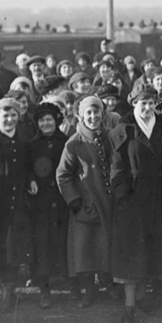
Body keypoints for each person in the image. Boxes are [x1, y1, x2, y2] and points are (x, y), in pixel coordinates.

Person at [109, 84, 162, 323]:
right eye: (143, 103)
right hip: (133, 198)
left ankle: (144, 296)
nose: (147, 108)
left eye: (151, 103)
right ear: (133, 104)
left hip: (158, 196)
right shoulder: (123, 130)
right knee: (132, 251)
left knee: (151, 247)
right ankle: (130, 305)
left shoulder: (161, 129)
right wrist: (124, 197)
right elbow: (117, 169)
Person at [56, 96, 115, 309]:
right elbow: (63, 174)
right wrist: (74, 200)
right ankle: (88, 292)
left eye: (96, 112)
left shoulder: (111, 137)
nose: (93, 117)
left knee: (106, 247)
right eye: (88, 113)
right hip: (86, 205)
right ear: (81, 115)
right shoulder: (74, 142)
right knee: (85, 251)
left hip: (108, 204)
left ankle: (108, 285)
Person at [0, 98, 33, 309]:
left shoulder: (22, 138)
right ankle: (5, 285)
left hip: (17, 200)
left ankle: (10, 287)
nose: (9, 120)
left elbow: (27, 165)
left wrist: (31, 181)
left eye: (13, 116)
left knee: (16, 243)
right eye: (5, 116)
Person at [25, 102, 72, 308]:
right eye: (42, 120)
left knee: (64, 240)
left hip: (62, 199)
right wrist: (31, 180)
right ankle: (44, 290)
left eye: (49, 120)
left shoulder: (66, 141)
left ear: (56, 121)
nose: (45, 123)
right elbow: (26, 168)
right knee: (41, 243)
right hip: (41, 202)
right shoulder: (31, 144)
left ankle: (73, 284)